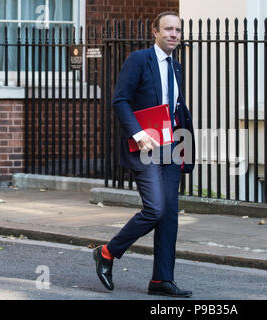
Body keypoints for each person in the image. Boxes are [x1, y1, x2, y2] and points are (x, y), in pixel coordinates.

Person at [93, 11, 195, 298]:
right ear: (155, 31)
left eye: (177, 30)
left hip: (172, 146)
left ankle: (162, 280)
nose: (174, 34)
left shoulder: (176, 67)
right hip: (147, 146)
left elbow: (174, 109)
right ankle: (107, 252)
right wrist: (138, 134)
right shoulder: (138, 60)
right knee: (155, 209)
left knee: (170, 215)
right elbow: (120, 99)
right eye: (168, 29)